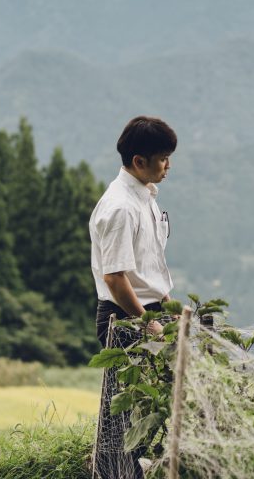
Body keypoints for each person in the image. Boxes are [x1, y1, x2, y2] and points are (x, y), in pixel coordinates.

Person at [89, 115, 177, 479]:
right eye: (162, 158)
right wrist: (148, 322)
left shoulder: (146, 198)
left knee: (145, 411)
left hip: (149, 310)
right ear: (139, 161)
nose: (168, 165)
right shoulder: (120, 207)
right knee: (123, 417)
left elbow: (148, 268)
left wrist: (171, 307)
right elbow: (115, 277)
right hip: (126, 318)